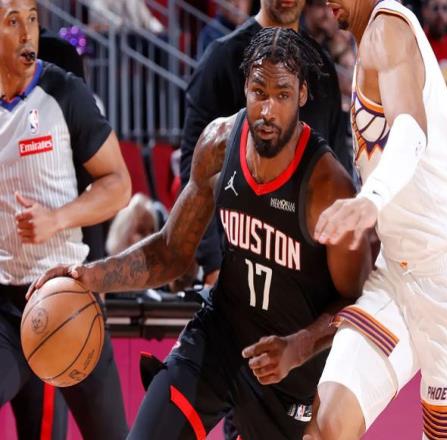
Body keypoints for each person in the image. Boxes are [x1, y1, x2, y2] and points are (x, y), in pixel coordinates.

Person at [31, 28, 373, 439]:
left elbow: (357, 301)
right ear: (244, 88)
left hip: (287, 366)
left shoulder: (328, 187)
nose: (267, 109)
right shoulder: (218, 144)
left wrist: (299, 347)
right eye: (259, 92)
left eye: (282, 95)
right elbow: (171, 251)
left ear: (302, 95)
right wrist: (90, 276)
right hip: (219, 339)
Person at [305, 0, 447, 439]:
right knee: (326, 425)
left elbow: (411, 128)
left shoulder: (388, 27)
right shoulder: (364, 48)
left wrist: (369, 201)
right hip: (396, 274)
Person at [0, 1, 131, 439]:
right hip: (5, 307)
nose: (27, 33)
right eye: (13, 21)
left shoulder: (65, 92)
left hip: (66, 295)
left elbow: (119, 184)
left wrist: (56, 219)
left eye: (32, 19)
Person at [181, 0, 347, 288]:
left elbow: (338, 166)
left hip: (305, 268)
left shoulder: (322, 67)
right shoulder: (222, 58)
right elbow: (194, 168)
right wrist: (211, 264)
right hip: (238, 261)